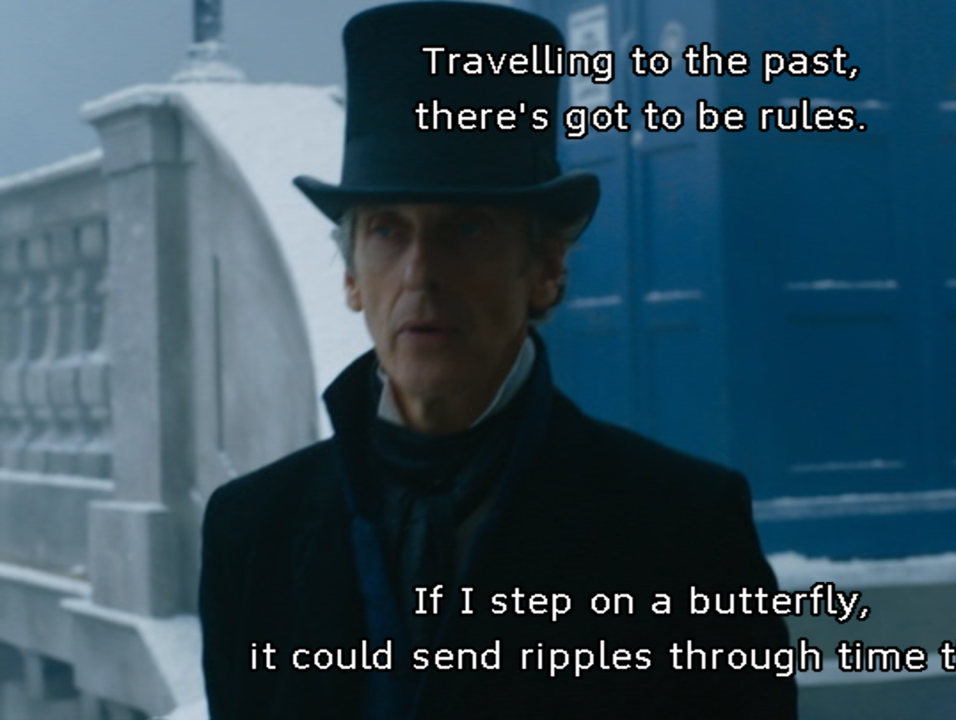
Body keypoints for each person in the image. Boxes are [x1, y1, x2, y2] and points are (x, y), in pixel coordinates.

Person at [197, 3, 796, 718]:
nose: (421, 272)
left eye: (468, 229)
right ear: (352, 277)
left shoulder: (684, 527)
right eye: (387, 230)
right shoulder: (252, 528)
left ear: (546, 270)